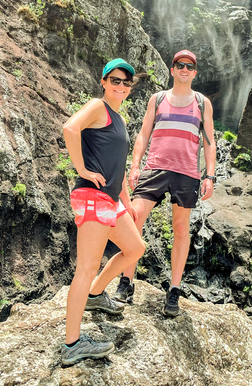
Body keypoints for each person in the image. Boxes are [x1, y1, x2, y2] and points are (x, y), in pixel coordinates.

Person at [114, 49, 216, 317]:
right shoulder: (157, 99)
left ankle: (174, 290)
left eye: (189, 66)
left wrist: (210, 175)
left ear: (194, 73)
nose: (184, 69)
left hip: (187, 173)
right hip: (155, 168)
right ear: (172, 70)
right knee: (134, 218)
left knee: (181, 229)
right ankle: (126, 281)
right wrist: (134, 165)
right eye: (180, 65)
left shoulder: (203, 103)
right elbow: (144, 133)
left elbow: (209, 141)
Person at [60, 58, 147, 366]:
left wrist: (125, 201)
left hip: (111, 200)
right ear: (104, 81)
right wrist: (81, 167)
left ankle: (97, 296)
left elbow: (118, 167)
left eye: (126, 82)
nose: (121, 86)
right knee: (86, 266)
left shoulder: (119, 119)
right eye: (115, 80)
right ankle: (71, 344)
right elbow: (70, 128)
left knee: (136, 248)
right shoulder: (98, 106)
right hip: (93, 196)